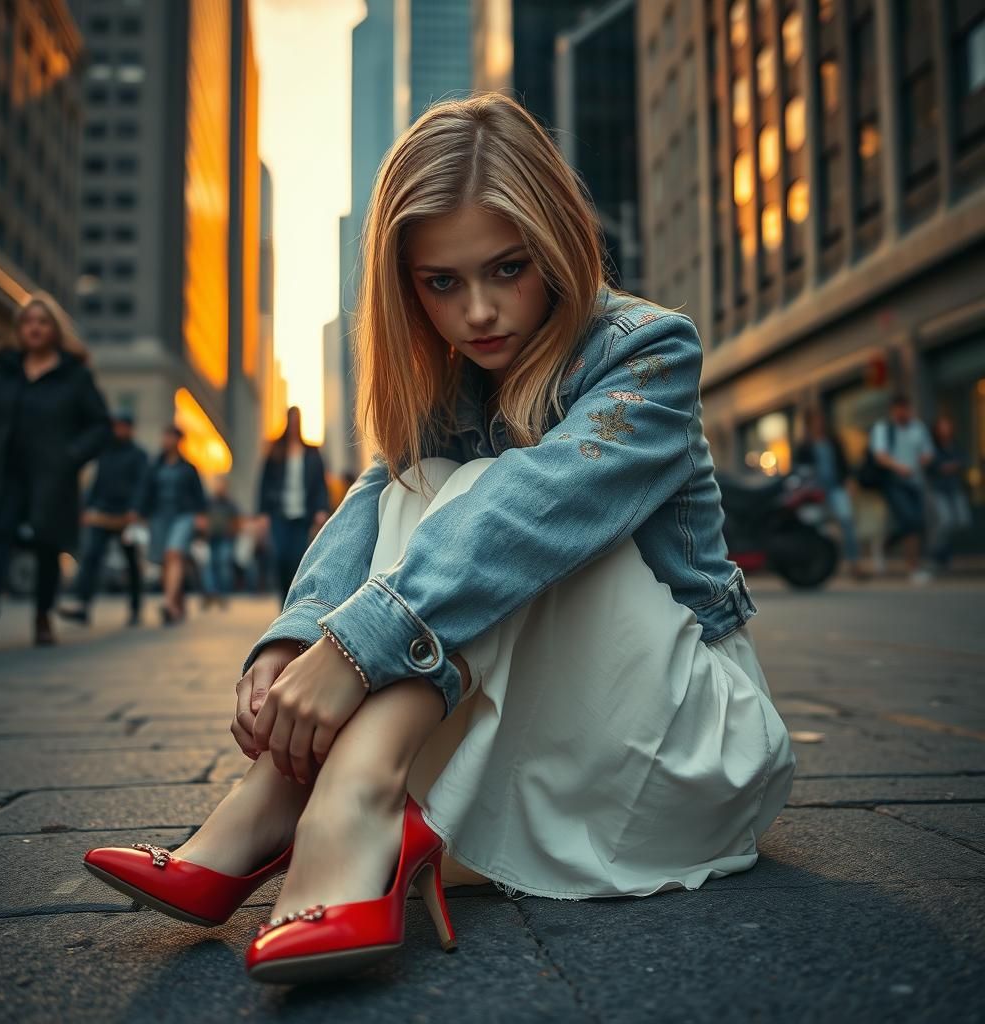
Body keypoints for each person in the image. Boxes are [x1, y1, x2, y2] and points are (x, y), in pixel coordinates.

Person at [83, 93, 795, 986]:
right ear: (405, 283)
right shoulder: (452, 388)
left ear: (561, 242)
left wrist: (356, 652)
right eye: (442, 283)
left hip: (689, 745)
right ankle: (284, 801)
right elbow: (373, 503)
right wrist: (298, 641)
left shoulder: (647, 350)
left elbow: (539, 508)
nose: (480, 313)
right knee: (419, 477)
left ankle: (349, 800)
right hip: (564, 732)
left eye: (509, 268)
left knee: (495, 488)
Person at [0, 293, 111, 649]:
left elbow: (99, 427)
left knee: (47, 543)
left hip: (51, 476)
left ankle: (42, 616)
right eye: (28, 322)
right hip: (5, 472)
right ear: (19, 329)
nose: (34, 328)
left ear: (54, 330)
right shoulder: (6, 371)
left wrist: (70, 457)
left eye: (42, 322)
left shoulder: (73, 375)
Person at [59, 412, 148, 627]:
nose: (117, 430)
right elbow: (96, 482)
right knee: (90, 557)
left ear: (129, 428)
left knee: (131, 563)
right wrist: (87, 507)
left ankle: (135, 608)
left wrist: (136, 509)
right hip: (103, 512)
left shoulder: (138, 455)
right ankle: (83, 605)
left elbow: (142, 484)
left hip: (125, 515)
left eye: (121, 426)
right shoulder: (106, 451)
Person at [132, 425, 206, 625]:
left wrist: (201, 515)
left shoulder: (188, 468)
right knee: (167, 561)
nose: (166, 440)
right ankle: (176, 603)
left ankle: (168, 602)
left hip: (183, 515)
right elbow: (144, 492)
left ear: (178, 440)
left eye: (170, 437)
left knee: (174, 553)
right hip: (159, 516)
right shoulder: (154, 467)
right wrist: (138, 513)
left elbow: (198, 494)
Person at [257, 407, 330, 605]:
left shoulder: (312, 453)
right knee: (280, 558)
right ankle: (284, 601)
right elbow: (264, 483)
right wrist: (262, 513)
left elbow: (320, 484)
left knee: (296, 559)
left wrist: (321, 509)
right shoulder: (276, 450)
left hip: (302, 516)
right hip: (279, 514)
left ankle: (292, 603)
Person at [869, 395, 936, 583]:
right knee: (910, 520)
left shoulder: (918, 427)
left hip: (916, 483)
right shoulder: (883, 429)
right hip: (894, 483)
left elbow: (928, 451)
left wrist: (924, 459)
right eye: (899, 409)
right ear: (893, 410)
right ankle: (913, 567)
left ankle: (883, 546)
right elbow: (880, 456)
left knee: (913, 523)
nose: (903, 413)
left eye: (905, 408)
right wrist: (899, 467)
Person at [795, 408, 865, 579]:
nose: (819, 424)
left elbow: (844, 464)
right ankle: (820, 564)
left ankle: (854, 564)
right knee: (816, 528)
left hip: (836, 488)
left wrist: (849, 481)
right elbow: (799, 470)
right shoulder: (804, 446)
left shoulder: (834, 442)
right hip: (814, 492)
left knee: (847, 522)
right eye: (815, 420)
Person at [926, 413, 972, 570]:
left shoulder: (955, 445)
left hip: (954, 488)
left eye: (947, 427)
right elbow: (930, 465)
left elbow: (964, 460)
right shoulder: (932, 446)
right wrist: (943, 467)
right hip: (938, 489)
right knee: (944, 521)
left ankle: (943, 551)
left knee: (961, 520)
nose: (945, 430)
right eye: (942, 427)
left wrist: (955, 466)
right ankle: (937, 554)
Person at [201, 476, 240, 608]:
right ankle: (211, 593)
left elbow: (237, 520)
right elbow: (203, 519)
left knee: (223, 565)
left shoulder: (230, 504)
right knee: (209, 567)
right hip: (211, 538)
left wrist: (233, 533)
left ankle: (223, 594)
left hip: (225, 539)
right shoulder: (209, 502)